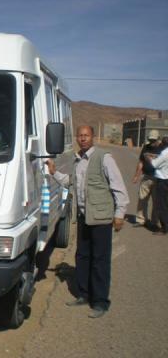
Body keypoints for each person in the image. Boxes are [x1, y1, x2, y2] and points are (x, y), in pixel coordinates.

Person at [46, 125, 129, 318]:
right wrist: (54, 172)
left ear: (93, 137)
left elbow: (118, 187)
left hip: (101, 217)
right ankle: (83, 294)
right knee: (82, 256)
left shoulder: (103, 158)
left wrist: (119, 214)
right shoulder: (78, 160)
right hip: (84, 217)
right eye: (80, 135)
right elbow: (70, 182)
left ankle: (100, 302)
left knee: (100, 260)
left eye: (86, 135)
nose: (83, 138)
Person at [132, 129, 162, 228]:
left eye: (154, 140)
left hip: (158, 179)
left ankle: (154, 222)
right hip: (146, 177)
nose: (152, 142)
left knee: (156, 202)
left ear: (158, 139)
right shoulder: (146, 147)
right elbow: (141, 162)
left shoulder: (163, 149)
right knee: (142, 199)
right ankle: (141, 220)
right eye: (150, 140)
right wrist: (136, 175)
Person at [146, 137, 168, 235]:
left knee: (161, 205)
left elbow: (155, 164)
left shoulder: (164, 153)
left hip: (162, 181)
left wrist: (149, 158)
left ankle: (164, 228)